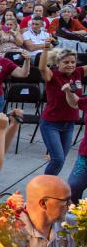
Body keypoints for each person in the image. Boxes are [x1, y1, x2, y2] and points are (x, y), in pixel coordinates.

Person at [17, 175, 76, 247]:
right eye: (66, 200)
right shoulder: (8, 232)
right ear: (43, 203)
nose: (71, 204)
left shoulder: (73, 225)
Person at [37, 48, 84, 176]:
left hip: (69, 124)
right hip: (51, 124)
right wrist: (45, 50)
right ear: (58, 64)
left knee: (60, 160)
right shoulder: (53, 75)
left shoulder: (78, 72)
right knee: (58, 159)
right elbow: (42, 68)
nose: (70, 65)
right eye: (66, 62)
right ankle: (45, 186)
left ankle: (51, 185)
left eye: (73, 62)